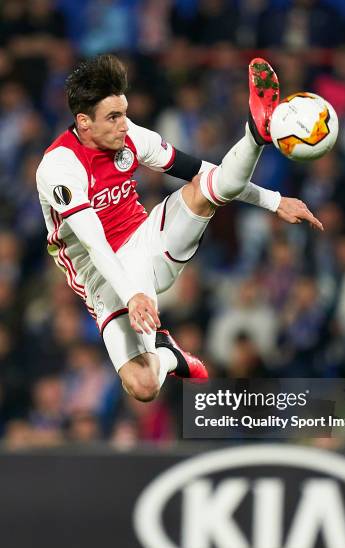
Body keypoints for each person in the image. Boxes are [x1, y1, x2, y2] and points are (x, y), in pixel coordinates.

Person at [36, 54, 322, 403]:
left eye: (124, 112)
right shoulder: (59, 167)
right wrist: (132, 295)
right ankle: (169, 354)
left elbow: (205, 171)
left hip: (148, 239)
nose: (124, 125)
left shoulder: (131, 136)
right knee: (143, 386)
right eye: (113, 117)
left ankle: (255, 134)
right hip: (103, 274)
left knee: (205, 190)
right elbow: (95, 245)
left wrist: (274, 201)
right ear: (84, 122)